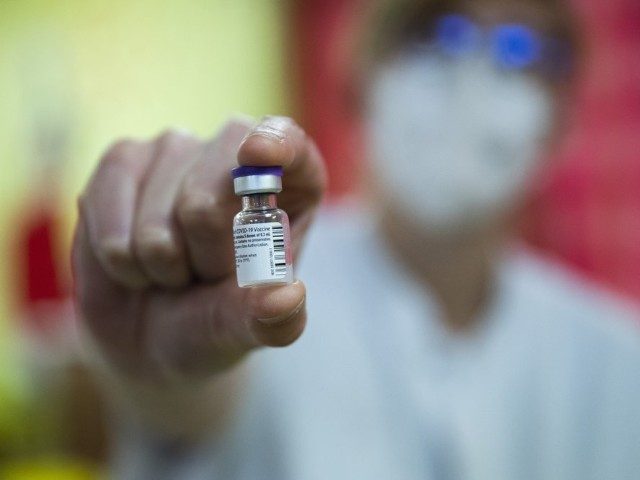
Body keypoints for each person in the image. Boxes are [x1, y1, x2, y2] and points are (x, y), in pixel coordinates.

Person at [72, 0, 640, 478]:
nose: (470, 78)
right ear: (363, 84)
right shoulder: (257, 287)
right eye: (434, 37)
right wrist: (160, 382)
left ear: (559, 126)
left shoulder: (616, 360)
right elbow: (189, 413)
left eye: (518, 52)